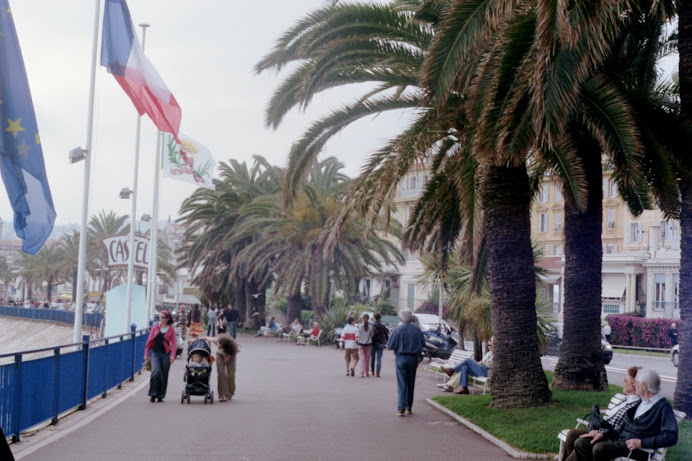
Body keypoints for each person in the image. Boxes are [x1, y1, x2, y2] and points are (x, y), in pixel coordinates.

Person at [571, 369, 678, 461]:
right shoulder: (641, 402)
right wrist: (603, 434)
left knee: (600, 448)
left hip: (638, 449)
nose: (634, 386)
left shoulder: (662, 407)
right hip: (620, 441)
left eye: (636, 382)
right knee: (581, 443)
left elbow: (671, 436)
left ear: (644, 386)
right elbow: (622, 427)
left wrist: (641, 443)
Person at [561, 366, 642, 461]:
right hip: (601, 431)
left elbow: (618, 429)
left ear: (633, 385)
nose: (623, 382)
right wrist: (594, 425)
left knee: (581, 443)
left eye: (625, 380)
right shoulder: (624, 400)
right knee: (572, 435)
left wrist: (600, 432)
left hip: (610, 438)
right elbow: (608, 420)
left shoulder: (634, 406)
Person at [387, 308, 426, 416]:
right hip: (413, 358)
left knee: (402, 383)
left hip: (401, 358)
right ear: (411, 318)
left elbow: (389, 346)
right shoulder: (417, 330)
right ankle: (409, 406)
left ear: (401, 318)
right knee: (411, 383)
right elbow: (423, 344)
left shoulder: (397, 330)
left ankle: (401, 408)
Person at [144, 310, 177, 402]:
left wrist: (173, 355)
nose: (160, 319)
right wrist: (146, 354)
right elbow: (149, 342)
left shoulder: (171, 329)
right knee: (156, 372)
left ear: (167, 319)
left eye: (162, 317)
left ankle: (161, 395)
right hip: (155, 353)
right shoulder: (155, 328)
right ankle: (153, 394)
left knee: (164, 374)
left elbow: (174, 343)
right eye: (160, 317)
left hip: (166, 354)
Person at [203, 333, 239, 402]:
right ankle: (222, 395)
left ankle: (230, 392)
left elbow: (227, 357)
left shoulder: (232, 347)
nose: (218, 346)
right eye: (218, 344)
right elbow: (208, 338)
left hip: (230, 355)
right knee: (221, 374)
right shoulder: (217, 340)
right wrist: (202, 339)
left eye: (220, 346)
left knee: (230, 374)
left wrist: (227, 357)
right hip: (219, 354)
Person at [370, 312, 389, 377]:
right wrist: (386, 342)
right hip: (381, 343)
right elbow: (386, 335)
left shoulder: (372, 325)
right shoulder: (383, 326)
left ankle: (372, 371)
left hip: (373, 343)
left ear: (374, 318)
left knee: (372, 357)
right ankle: (378, 372)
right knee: (379, 358)